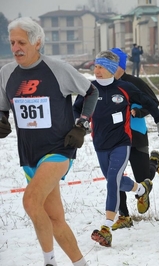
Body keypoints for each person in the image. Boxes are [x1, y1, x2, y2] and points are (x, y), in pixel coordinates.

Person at [0, 17, 98, 266]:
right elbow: (3, 108)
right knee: (54, 218)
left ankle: (49, 264)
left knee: (31, 201)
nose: (16, 48)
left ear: (37, 42)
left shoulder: (57, 69)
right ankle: (78, 263)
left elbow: (91, 92)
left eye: (21, 42)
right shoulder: (7, 73)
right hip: (29, 154)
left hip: (58, 150)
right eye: (12, 42)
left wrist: (82, 124)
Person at [73, 50, 159, 247]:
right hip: (100, 143)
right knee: (113, 180)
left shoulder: (125, 87)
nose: (96, 70)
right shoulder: (89, 89)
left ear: (110, 69)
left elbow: (150, 102)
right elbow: (76, 108)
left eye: (100, 67)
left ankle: (106, 227)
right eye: (95, 67)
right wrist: (79, 121)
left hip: (122, 142)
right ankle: (142, 188)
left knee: (113, 181)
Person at [109, 47, 159, 230]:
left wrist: (138, 111)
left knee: (143, 178)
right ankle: (124, 215)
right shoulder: (105, 86)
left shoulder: (134, 82)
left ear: (120, 65)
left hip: (136, 134)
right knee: (115, 175)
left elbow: (154, 103)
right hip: (116, 137)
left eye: (113, 65)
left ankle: (154, 162)